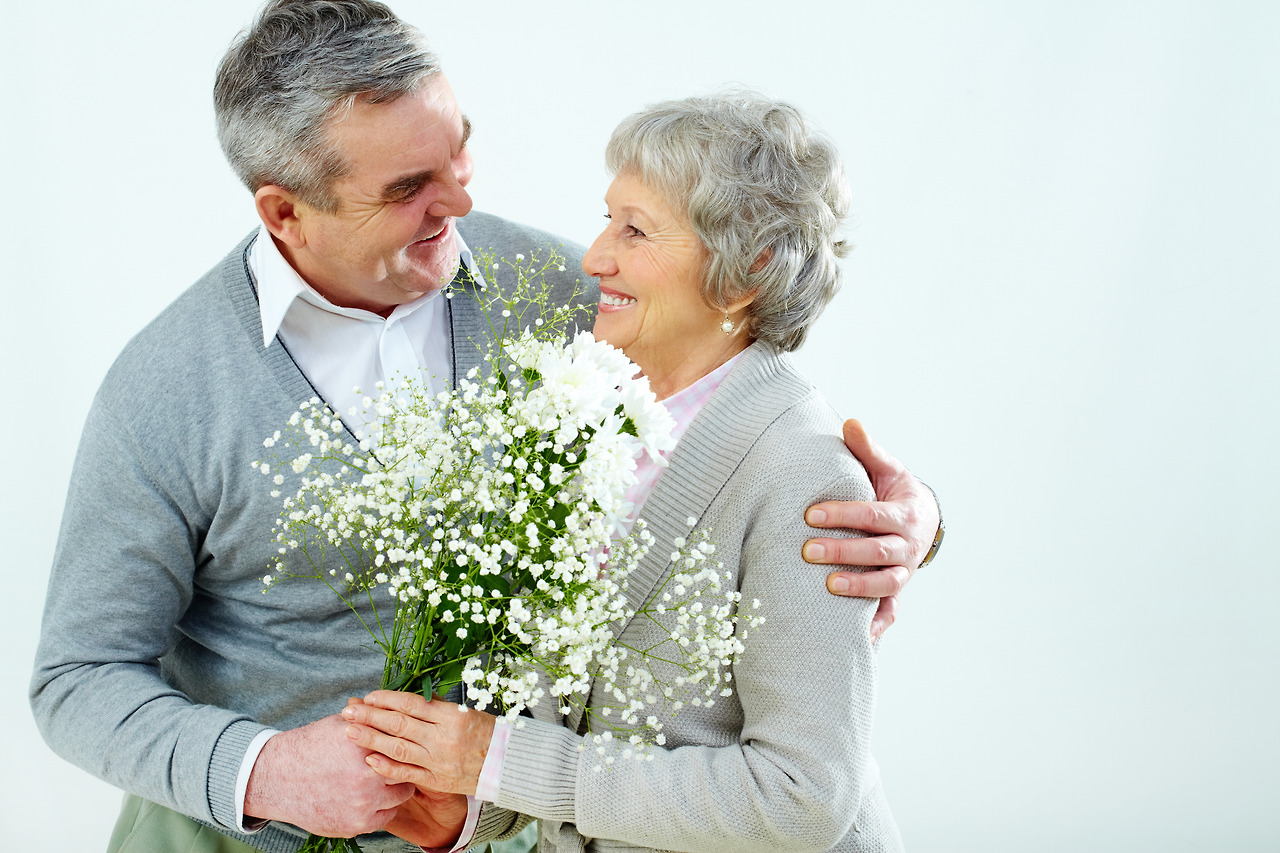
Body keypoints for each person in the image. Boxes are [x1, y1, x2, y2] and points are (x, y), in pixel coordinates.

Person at [29, 1, 939, 851]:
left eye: (459, 152)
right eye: (408, 186)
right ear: (284, 212)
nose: (459, 202)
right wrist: (262, 771)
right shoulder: (166, 388)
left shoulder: (561, 292)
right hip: (242, 835)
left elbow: (743, 407)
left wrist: (911, 519)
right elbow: (76, 677)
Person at [343, 93, 906, 852]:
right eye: (608, 218)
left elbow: (801, 798)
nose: (595, 256)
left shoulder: (805, 475)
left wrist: (495, 757)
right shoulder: (589, 413)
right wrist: (472, 804)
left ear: (750, 272)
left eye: (636, 229)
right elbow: (572, 724)